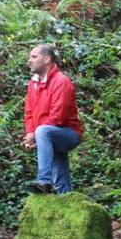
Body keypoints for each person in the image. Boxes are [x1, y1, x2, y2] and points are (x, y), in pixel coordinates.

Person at [22, 44, 83, 194]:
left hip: (68, 132)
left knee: (43, 131)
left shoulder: (61, 81)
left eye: (34, 57)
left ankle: (44, 180)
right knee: (61, 174)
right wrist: (30, 133)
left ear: (47, 59)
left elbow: (58, 117)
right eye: (30, 57)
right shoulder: (33, 83)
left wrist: (37, 135)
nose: (29, 60)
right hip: (48, 133)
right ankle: (66, 198)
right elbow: (29, 112)